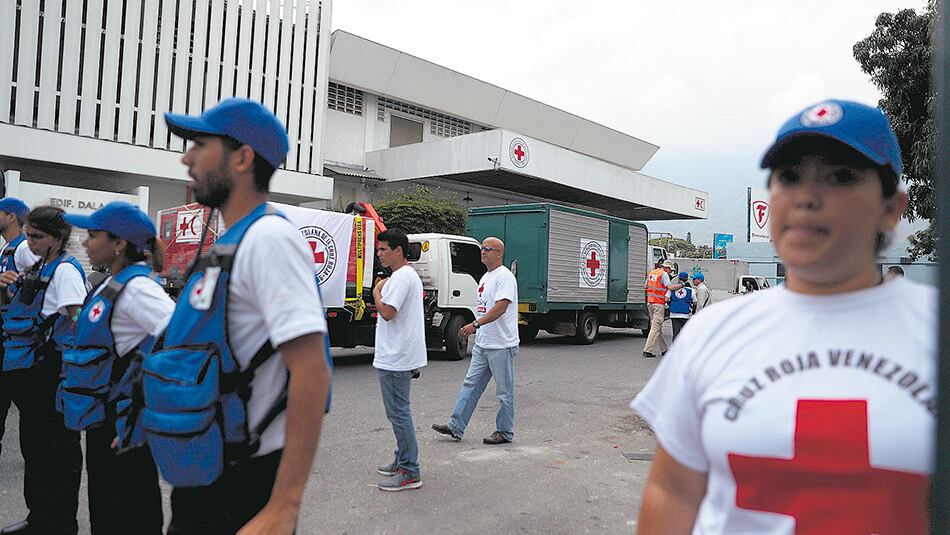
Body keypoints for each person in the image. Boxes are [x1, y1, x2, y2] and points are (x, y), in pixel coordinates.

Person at [631, 99, 934, 534]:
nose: (806, 197)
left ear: (892, 206)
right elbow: (673, 492)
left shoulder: (935, 333)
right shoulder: (713, 333)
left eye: (841, 177)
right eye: (789, 177)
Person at [142, 97, 332, 535]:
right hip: (208, 477)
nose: (186, 157)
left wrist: (284, 506)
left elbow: (311, 370)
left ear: (243, 157)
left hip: (244, 485)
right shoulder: (231, 241)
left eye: (199, 144)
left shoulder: (269, 240)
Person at [59, 202, 173, 535]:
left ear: (120, 243)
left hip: (125, 428)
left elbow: (181, 342)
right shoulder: (111, 283)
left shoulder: (138, 289)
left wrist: (142, 410)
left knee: (130, 516)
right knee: (107, 514)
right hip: (104, 423)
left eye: (93, 235)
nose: (84, 242)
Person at [1, 206, 87, 535]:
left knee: (57, 450)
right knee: (35, 448)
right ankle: (39, 517)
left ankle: (59, 522)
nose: (30, 242)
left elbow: (78, 318)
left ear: (58, 237)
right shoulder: (41, 264)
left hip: (52, 371)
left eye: (37, 237)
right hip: (33, 373)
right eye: (28, 235)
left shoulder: (65, 270)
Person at [432, 237, 519, 445]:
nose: (483, 251)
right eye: (482, 248)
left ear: (499, 253)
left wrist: (475, 324)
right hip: (483, 343)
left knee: (504, 392)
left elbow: (500, 308)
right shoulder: (485, 277)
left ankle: (504, 432)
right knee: (471, 384)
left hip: (501, 344)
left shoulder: (505, 277)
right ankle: (456, 426)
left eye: (488, 249)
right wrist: (478, 330)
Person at [372, 228, 426, 492]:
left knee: (399, 414)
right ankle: (401, 460)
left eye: (383, 249)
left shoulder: (403, 277)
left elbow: (388, 313)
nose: (379, 253)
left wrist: (376, 293)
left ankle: (410, 471)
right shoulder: (402, 276)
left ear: (398, 250)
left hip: (397, 357)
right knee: (398, 413)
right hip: (397, 355)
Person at [0, 197, 38, 463]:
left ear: (11, 216)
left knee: (27, 402)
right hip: (6, 334)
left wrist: (16, 290)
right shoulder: (6, 250)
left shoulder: (23, 248)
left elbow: (40, 283)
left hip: (16, 339)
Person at [642, 260, 684, 358]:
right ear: (667, 268)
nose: (670, 273)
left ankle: (664, 349)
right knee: (655, 327)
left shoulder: (652, 272)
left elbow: (645, 286)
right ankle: (647, 350)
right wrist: (682, 285)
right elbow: (669, 287)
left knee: (657, 327)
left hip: (650, 302)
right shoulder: (664, 274)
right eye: (670, 270)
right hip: (659, 303)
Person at [665, 272, 696, 340]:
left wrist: (671, 303)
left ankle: (675, 349)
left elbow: (666, 299)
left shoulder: (672, 289)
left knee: (676, 333)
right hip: (685, 314)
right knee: (685, 333)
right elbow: (695, 302)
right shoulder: (691, 290)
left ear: (679, 278)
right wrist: (693, 310)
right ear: (687, 279)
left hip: (674, 314)